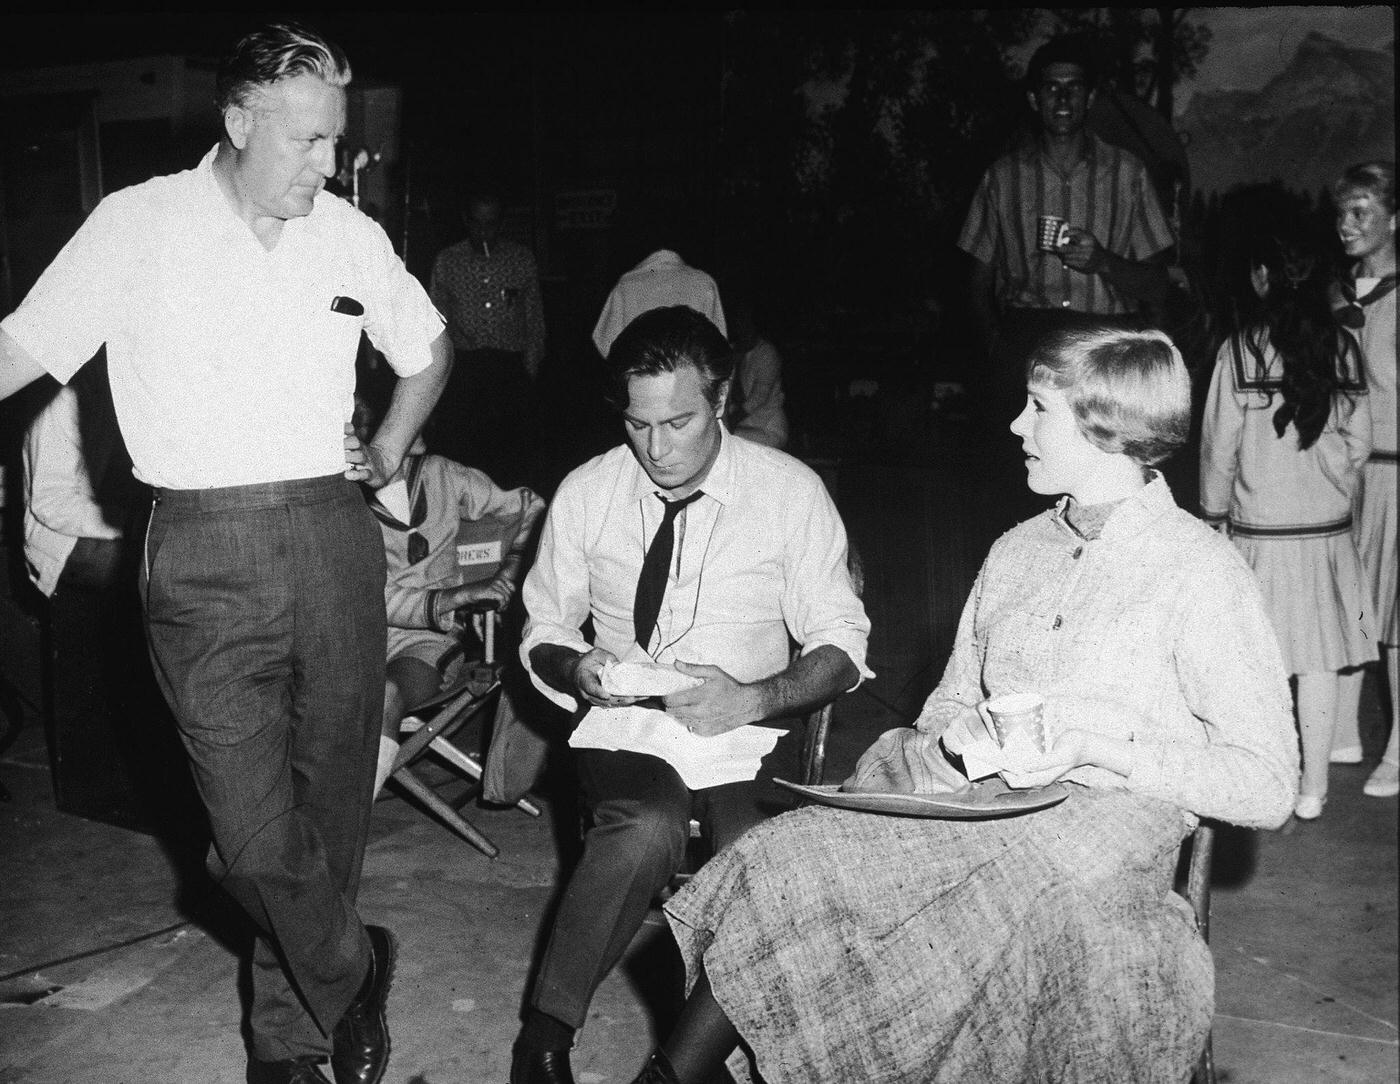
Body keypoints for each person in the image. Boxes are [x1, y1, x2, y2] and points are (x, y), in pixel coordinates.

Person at [628, 327, 1298, 1084]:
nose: (1015, 425)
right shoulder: (1018, 551)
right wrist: (959, 741)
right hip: (977, 810)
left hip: (1100, 840)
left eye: (1037, 408)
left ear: (1105, 426)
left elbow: (1268, 784)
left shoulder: (1200, 570)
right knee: (785, 857)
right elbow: (948, 702)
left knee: (979, 925)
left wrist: (1095, 748)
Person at [0, 23, 452, 1084]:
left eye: (336, 139)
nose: (328, 163)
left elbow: (427, 349)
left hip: (332, 537)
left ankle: (288, 1047)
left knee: (329, 806)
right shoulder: (137, 224)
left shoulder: (347, 234)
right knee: (247, 836)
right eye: (307, 140)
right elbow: (18, 350)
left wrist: (389, 446)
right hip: (200, 549)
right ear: (240, 120)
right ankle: (353, 963)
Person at [511, 306, 871, 1084]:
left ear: (723, 398)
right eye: (638, 424)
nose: (657, 448)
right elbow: (543, 625)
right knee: (644, 828)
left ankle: (678, 1070)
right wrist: (577, 669)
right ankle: (544, 1036)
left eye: (679, 422)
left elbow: (844, 647)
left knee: (759, 863)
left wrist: (755, 696)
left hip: (754, 731)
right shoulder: (590, 490)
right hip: (630, 728)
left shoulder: (789, 492)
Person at [1200, 221, 1374, 820]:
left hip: (1259, 532)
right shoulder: (1343, 347)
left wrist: (1214, 516)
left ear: (1261, 278)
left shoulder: (1239, 349)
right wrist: (1330, 483)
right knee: (1319, 661)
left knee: (1258, 662)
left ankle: (1263, 777)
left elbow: (1218, 448)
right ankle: (1312, 790)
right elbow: (1360, 443)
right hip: (1325, 532)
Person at [958, 35, 1175, 434]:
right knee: (1022, 460)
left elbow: (1157, 286)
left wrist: (1103, 262)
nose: (1062, 98)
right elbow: (975, 284)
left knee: (1103, 456)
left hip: (1105, 343)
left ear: (1089, 98)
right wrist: (997, 345)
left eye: (1073, 87)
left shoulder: (1128, 173)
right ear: (1034, 99)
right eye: (1051, 87)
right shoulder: (1002, 178)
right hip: (1026, 341)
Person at [353, 395, 545, 799]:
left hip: (425, 644)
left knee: (386, 694)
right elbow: (368, 596)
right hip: (352, 639)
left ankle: (342, 825)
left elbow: (531, 507)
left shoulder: (442, 475)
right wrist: (459, 594)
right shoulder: (340, 500)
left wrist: (508, 572)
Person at [1328, 161, 1399, 800]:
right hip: (1344, 475)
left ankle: (1399, 750)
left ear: (1395, 219)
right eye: (1341, 213)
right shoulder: (1336, 295)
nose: (1346, 225)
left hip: (1395, 474)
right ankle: (1342, 732)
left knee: (1397, 617)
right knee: (1348, 604)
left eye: (1361, 213)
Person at [428, 186, 547, 485]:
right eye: (477, 223)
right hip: (465, 369)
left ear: (501, 223)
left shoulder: (520, 259)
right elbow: (435, 322)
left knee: (510, 456)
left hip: (509, 369)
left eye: (491, 224)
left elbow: (534, 319)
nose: (483, 232)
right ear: (466, 221)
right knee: (464, 456)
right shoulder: (448, 261)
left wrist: (528, 373)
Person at [592, 248, 727, 358]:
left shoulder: (626, 284)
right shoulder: (704, 283)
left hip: (639, 374)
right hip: (690, 377)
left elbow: (606, 341)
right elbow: (718, 347)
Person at [722, 294, 789, 450]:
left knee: (721, 440)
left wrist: (727, 425)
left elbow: (758, 398)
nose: (740, 325)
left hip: (766, 428)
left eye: (744, 320)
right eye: (738, 320)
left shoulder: (767, 353)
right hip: (739, 427)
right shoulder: (730, 351)